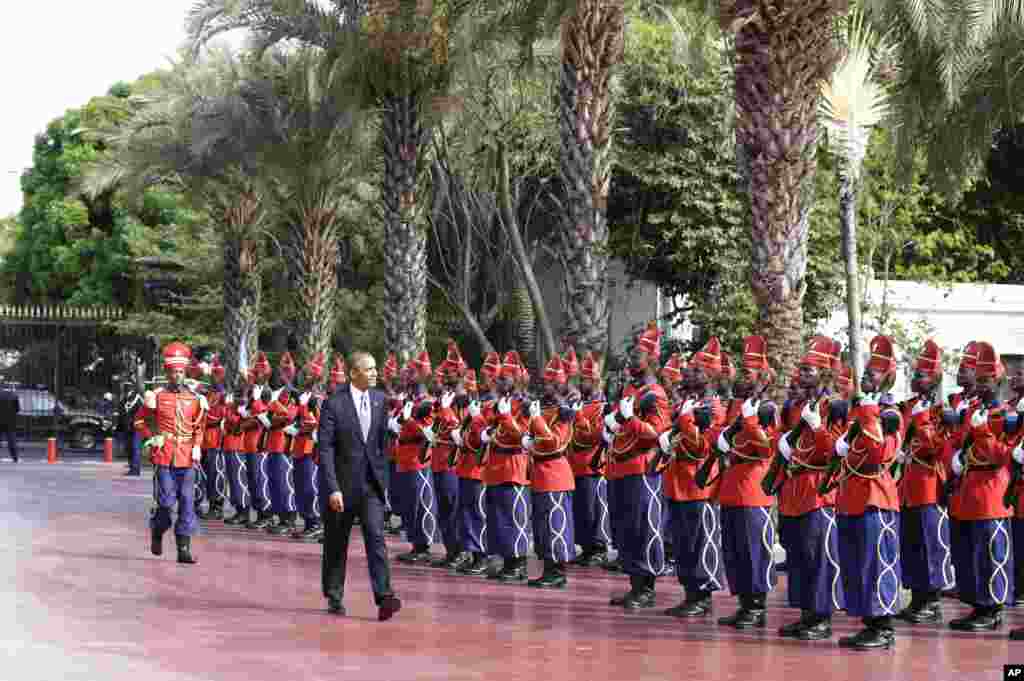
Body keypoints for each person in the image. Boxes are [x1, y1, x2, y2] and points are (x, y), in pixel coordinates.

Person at [319, 350, 402, 621]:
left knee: (376, 538)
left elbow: (381, 443)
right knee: (336, 542)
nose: (375, 373)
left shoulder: (380, 400)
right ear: (354, 373)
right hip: (342, 487)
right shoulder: (334, 404)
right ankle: (334, 594)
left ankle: (384, 596)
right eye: (369, 369)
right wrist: (333, 488)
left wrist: (383, 478)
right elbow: (326, 448)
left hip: (370, 487)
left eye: (375, 368)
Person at [134, 341, 206, 564]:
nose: (177, 375)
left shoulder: (194, 399)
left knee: (187, 501)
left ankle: (183, 549)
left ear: (185, 373)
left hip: (187, 456)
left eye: (181, 371)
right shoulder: (157, 397)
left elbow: (199, 426)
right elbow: (138, 420)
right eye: (173, 371)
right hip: (164, 455)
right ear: (167, 372)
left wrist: (197, 447)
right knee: (165, 502)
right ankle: (157, 530)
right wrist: (150, 437)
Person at [0, 386, 19, 462]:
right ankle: (15, 457)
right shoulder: (14, 396)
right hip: (10, 421)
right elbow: (17, 409)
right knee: (11, 440)